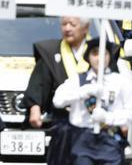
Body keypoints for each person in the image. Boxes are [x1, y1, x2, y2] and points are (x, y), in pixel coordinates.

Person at [52, 38, 132, 165]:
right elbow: (58, 101)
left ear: (109, 56)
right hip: (82, 140)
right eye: (95, 53)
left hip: (110, 140)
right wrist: (82, 93)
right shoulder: (78, 80)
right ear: (88, 57)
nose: (99, 58)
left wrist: (109, 117)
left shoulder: (120, 82)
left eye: (104, 54)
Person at [25, 16, 91, 164]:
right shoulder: (50, 52)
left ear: (85, 28)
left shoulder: (96, 52)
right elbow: (40, 82)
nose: (67, 28)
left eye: (72, 24)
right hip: (62, 121)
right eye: (63, 24)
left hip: (90, 120)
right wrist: (34, 108)